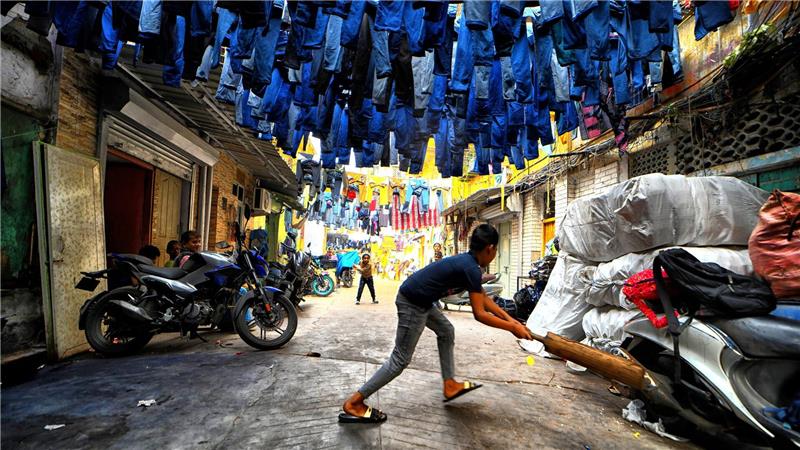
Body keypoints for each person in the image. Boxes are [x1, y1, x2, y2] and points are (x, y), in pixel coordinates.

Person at [339, 225, 533, 424]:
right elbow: (480, 314)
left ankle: (450, 384)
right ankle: (354, 402)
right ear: (490, 249)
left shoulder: (469, 263)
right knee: (400, 360)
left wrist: (513, 321)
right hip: (412, 302)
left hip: (422, 301)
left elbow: (484, 298)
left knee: (446, 331)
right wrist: (512, 328)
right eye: (496, 251)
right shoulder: (471, 268)